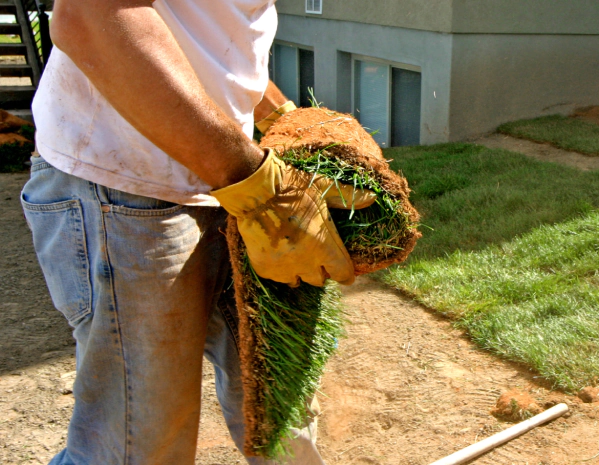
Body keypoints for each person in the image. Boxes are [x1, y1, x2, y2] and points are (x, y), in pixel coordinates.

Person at [21, 0, 359, 463]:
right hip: (126, 182)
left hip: (228, 178)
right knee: (139, 445)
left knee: (282, 411)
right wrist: (258, 187)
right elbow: (90, 17)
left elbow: (210, 33)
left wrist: (285, 119)